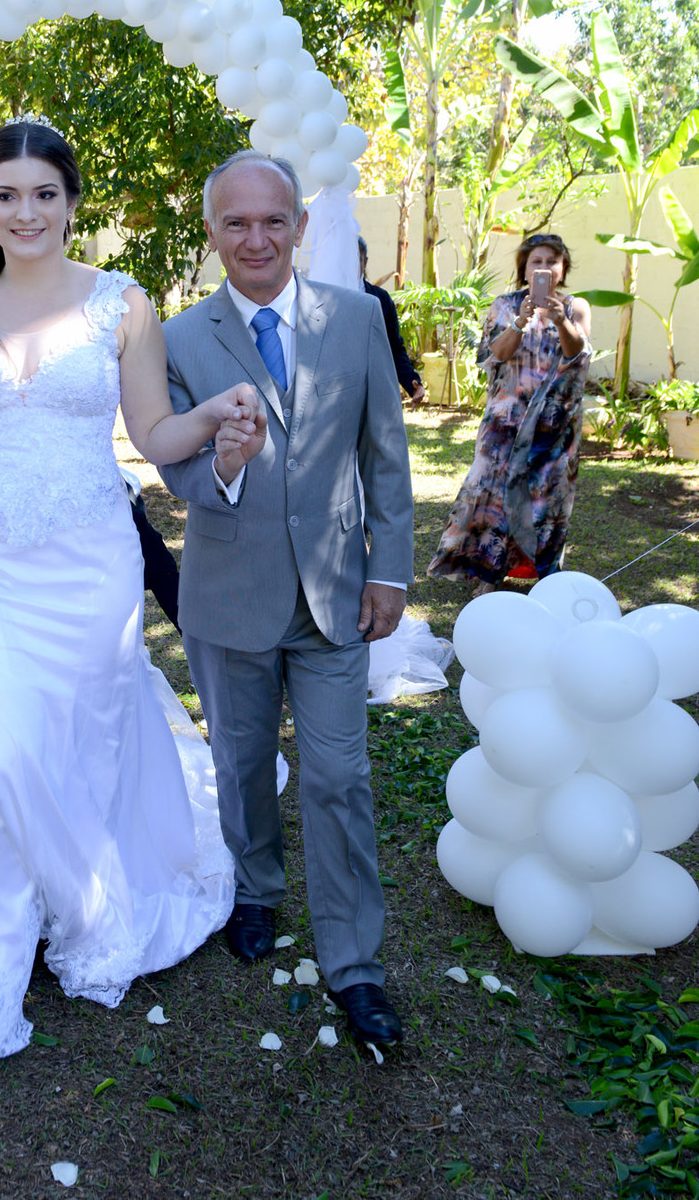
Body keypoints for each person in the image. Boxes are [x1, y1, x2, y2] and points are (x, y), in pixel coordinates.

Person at [0, 119, 254, 1063]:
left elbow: (153, 430)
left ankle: (91, 898)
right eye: (6, 194)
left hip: (93, 565)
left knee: (83, 740)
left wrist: (210, 415)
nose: (26, 212)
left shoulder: (120, 305)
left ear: (70, 201)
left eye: (44, 194)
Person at [159, 151, 414, 1047]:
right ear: (212, 232)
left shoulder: (355, 318)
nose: (256, 238)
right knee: (239, 763)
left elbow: (385, 453)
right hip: (228, 596)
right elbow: (174, 464)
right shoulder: (180, 338)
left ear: (301, 226)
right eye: (237, 222)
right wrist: (222, 463)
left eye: (274, 220)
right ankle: (256, 891)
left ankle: (354, 965)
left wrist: (389, 572)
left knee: (341, 776)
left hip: (337, 595)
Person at [427, 233, 591, 594]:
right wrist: (520, 321)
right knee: (493, 496)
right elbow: (494, 355)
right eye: (537, 261)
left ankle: (545, 582)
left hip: (553, 428)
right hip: (505, 422)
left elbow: (577, 354)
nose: (544, 267)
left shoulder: (575, 307)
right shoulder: (503, 305)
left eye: (552, 261)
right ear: (524, 268)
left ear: (562, 268)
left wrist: (561, 320)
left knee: (546, 501)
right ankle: (488, 574)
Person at [359, 237, 425, 404]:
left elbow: (394, 346)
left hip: (372, 391)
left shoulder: (380, 299)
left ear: (365, 261)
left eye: (356, 259)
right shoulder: (328, 299)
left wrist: (412, 383)